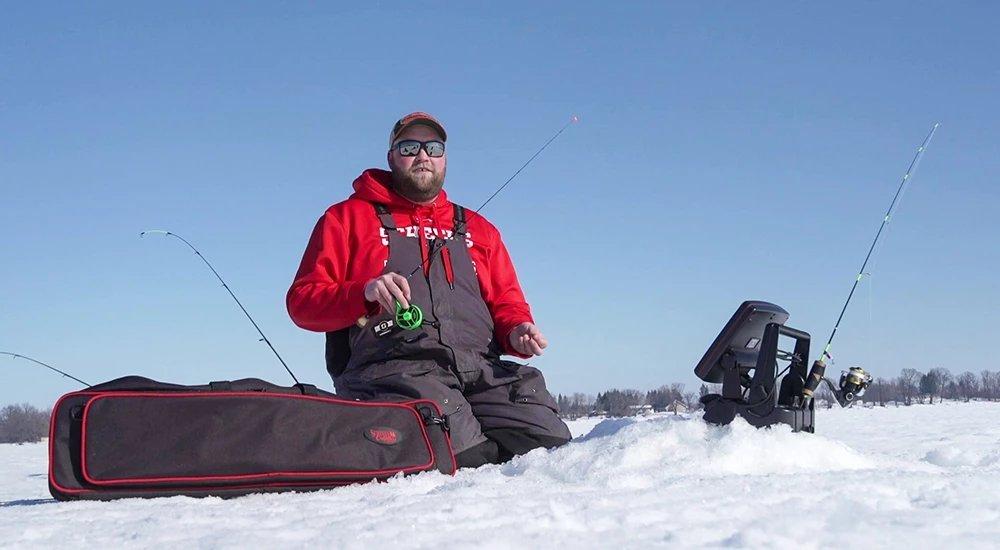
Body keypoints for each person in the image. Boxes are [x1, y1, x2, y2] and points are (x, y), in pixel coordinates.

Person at [287, 112, 571, 468]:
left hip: (480, 369)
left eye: (433, 148)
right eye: (410, 147)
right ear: (392, 157)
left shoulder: (480, 230)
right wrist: (364, 292)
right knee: (468, 459)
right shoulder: (345, 219)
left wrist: (518, 330)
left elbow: (506, 301)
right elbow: (302, 302)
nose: (423, 155)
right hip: (394, 372)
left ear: (445, 159)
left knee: (553, 447)